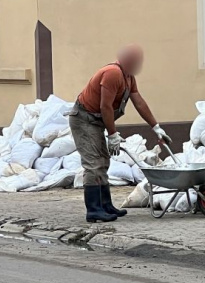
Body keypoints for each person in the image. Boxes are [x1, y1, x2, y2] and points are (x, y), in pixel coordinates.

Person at [69, 45, 172, 223]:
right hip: (84, 120)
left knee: (103, 161)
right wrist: (112, 134)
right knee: (94, 163)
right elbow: (105, 106)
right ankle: (94, 210)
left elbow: (138, 101)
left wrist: (156, 127)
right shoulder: (113, 73)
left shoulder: (128, 77)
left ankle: (106, 205)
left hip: (94, 121)